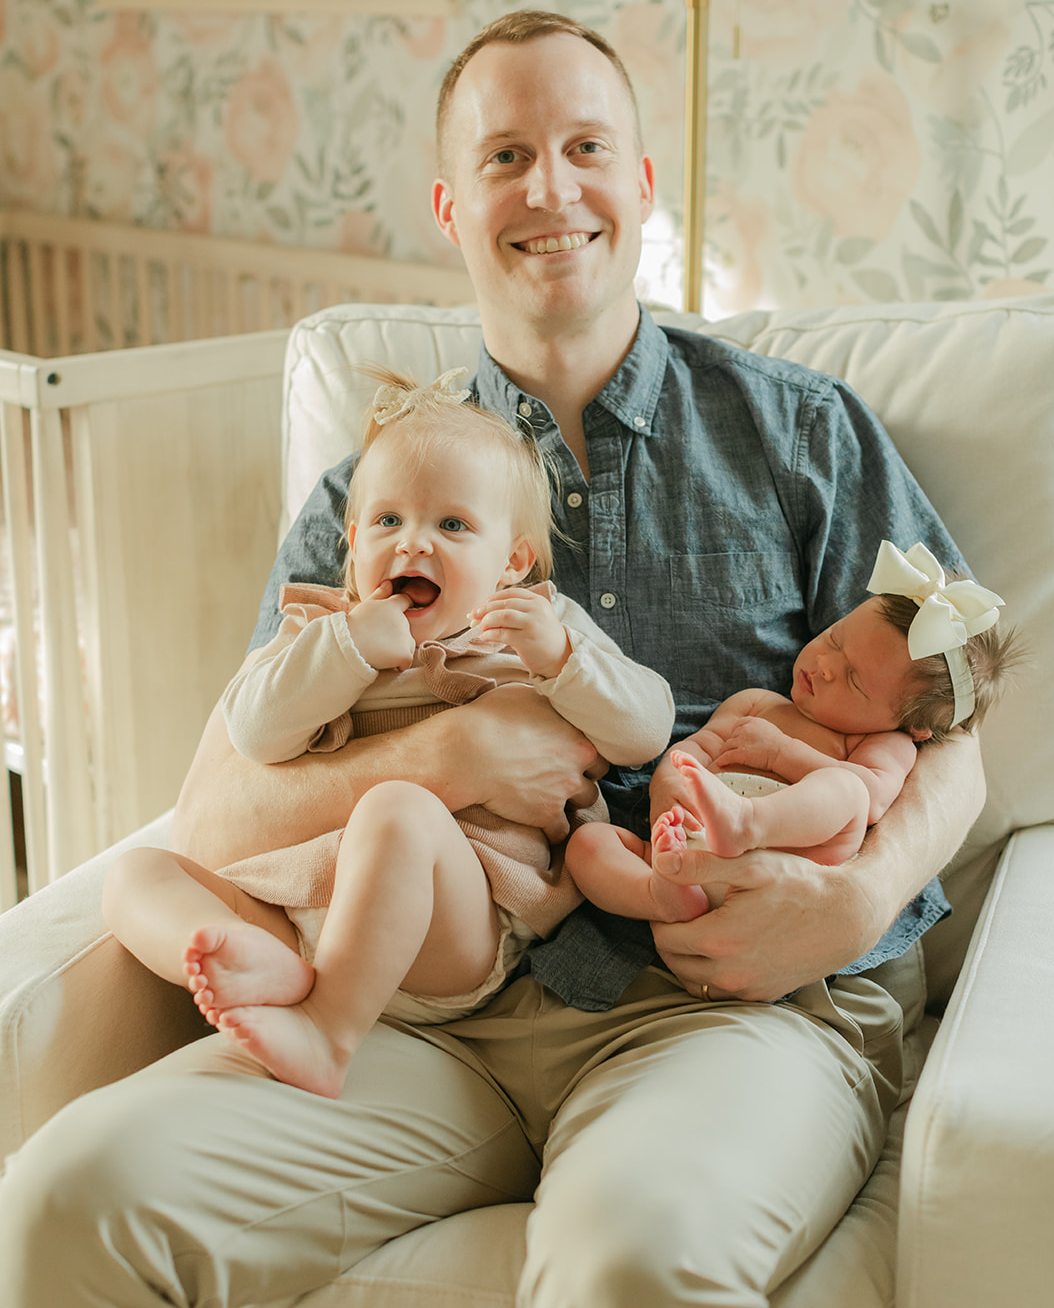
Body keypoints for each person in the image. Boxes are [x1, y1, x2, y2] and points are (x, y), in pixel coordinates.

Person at [0, 10, 987, 1308]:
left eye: (585, 147)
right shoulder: (372, 494)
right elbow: (217, 811)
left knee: (626, 1268)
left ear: (642, 186)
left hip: (725, 1014)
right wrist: (447, 762)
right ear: (448, 203)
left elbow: (962, 723)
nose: (550, 188)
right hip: (424, 1005)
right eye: (507, 154)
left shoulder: (798, 431)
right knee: (67, 1198)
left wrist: (857, 888)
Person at [100, 366, 674, 1099]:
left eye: (452, 525)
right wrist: (347, 647)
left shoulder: (537, 629)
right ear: (351, 539)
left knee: (397, 808)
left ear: (513, 562)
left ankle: (328, 1033)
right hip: (298, 913)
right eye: (387, 521)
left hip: (454, 925)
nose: (412, 545)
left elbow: (645, 730)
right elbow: (252, 731)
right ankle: (256, 963)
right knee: (136, 875)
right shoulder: (322, 629)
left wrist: (562, 663)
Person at [568, 539, 1017, 924]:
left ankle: (748, 822)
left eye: (854, 680)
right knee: (589, 844)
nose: (822, 667)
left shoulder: (881, 743)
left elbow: (875, 798)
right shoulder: (756, 703)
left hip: (782, 871)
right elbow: (694, 750)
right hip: (685, 845)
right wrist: (670, 783)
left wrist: (782, 755)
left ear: (914, 727)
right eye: (835, 639)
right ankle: (661, 898)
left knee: (848, 792)